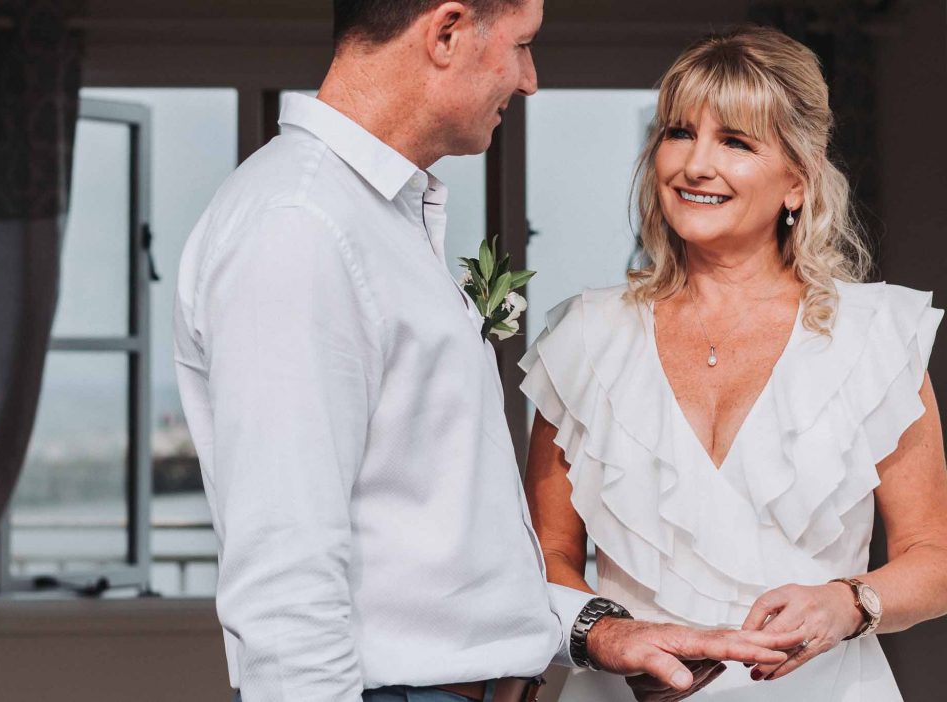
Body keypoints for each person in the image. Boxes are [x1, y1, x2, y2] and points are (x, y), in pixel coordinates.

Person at [173, 5, 804, 702]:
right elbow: (283, 572)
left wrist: (597, 631)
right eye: (522, 46)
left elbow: (431, 546)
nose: (530, 80)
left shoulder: (366, 217)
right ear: (445, 34)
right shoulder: (300, 229)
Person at [521, 25, 947, 701]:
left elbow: (935, 558)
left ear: (797, 184)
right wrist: (615, 638)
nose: (695, 164)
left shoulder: (877, 339)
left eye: (737, 142)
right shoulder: (584, 339)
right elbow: (549, 556)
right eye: (679, 132)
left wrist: (849, 602)